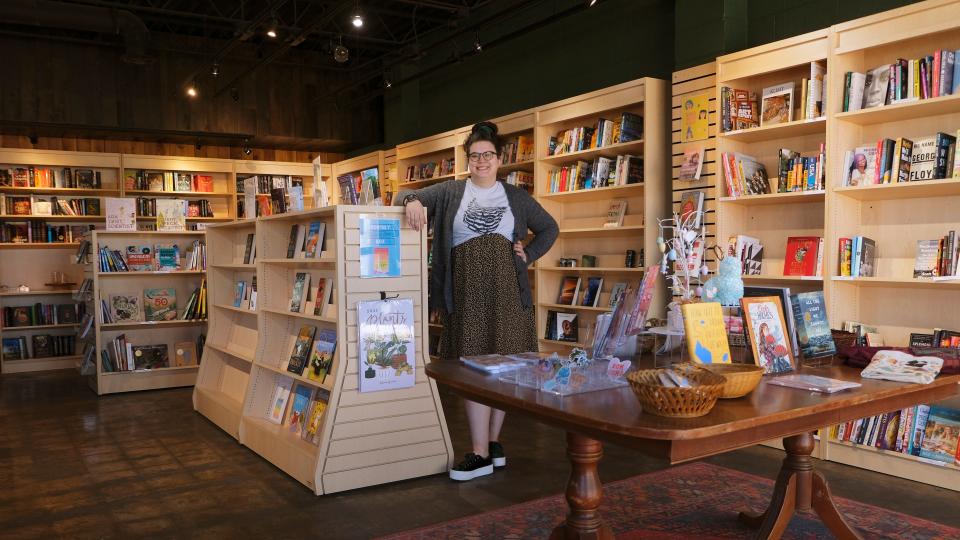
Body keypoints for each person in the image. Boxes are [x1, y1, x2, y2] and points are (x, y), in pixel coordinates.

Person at [397, 121, 558, 481]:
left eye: (487, 155)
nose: (481, 161)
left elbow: (550, 228)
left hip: (508, 293)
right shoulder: (452, 191)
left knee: (505, 367)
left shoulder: (515, 197)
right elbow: (403, 196)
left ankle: (493, 443)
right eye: (474, 156)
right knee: (472, 368)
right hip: (466, 292)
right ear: (468, 160)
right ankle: (479, 451)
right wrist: (411, 202)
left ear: (499, 159)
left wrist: (527, 255)